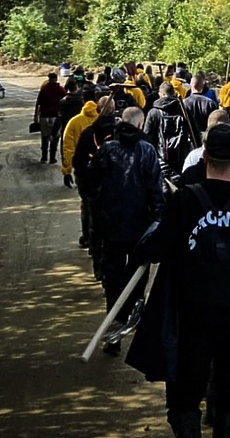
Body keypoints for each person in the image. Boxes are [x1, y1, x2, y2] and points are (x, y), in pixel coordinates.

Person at [133, 122, 230, 438]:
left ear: (204, 156)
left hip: (190, 312)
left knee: (185, 389)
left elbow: (155, 249)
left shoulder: (185, 199)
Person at [87, 106, 165, 356]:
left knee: (113, 283)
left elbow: (90, 185)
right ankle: (130, 328)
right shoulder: (147, 151)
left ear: (122, 123)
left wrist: (98, 212)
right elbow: (156, 192)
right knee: (137, 284)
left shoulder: (107, 150)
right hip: (140, 231)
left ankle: (114, 334)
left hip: (110, 229)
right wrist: (159, 222)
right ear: (141, 125)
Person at [72, 100, 120, 280]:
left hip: (93, 187)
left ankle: (97, 262)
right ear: (114, 110)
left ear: (98, 110)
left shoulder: (88, 133)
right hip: (116, 189)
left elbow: (78, 161)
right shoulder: (121, 133)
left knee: (94, 222)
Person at [61, 96, 108, 248]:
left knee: (86, 203)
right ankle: (102, 237)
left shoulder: (74, 122)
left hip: (83, 170)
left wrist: (67, 170)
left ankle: (87, 236)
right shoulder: (104, 125)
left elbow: (68, 147)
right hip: (103, 170)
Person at [143, 81, 195, 190]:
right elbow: (194, 133)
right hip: (181, 159)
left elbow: (146, 138)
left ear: (161, 94)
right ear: (173, 93)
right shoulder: (183, 110)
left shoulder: (153, 113)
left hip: (160, 161)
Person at [33, 72, 66, 163]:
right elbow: (65, 103)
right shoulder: (61, 90)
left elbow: (38, 104)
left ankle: (44, 157)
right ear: (56, 79)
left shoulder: (44, 90)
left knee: (44, 137)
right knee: (55, 137)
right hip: (56, 117)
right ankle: (52, 158)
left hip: (44, 116)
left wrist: (36, 115)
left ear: (49, 78)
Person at [183, 75, 219, 139]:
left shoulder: (184, 103)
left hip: (190, 139)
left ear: (190, 85)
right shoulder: (210, 103)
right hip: (207, 137)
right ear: (202, 86)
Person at [57, 77, 84, 155]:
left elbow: (59, 117)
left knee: (66, 150)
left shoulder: (63, 102)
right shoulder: (81, 100)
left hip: (66, 127)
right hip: (79, 126)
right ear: (76, 86)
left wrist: (54, 131)